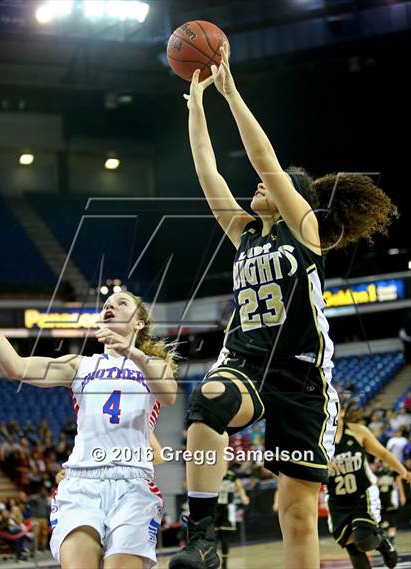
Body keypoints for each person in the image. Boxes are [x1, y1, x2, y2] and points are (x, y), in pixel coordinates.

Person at [169, 42, 399, 569]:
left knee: (295, 513)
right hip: (248, 361)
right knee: (209, 400)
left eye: (270, 186)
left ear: (294, 197)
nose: (256, 185)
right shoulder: (244, 234)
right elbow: (208, 173)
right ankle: (202, 535)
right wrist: (198, 107)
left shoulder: (307, 231)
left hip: (301, 379)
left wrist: (232, 94)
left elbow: (264, 160)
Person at [0, 291, 178, 569]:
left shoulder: (153, 367)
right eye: (107, 304)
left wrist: (133, 353)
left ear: (139, 323)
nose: (111, 306)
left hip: (133, 485)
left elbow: (169, 395)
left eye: (121, 303)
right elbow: (15, 367)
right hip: (82, 482)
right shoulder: (80, 365)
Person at [326, 399, 411, 569]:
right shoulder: (317, 439)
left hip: (362, 495)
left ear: (341, 412)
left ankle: (382, 540)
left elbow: (384, 454)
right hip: (337, 500)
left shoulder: (358, 431)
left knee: (363, 541)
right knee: (353, 549)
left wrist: (403, 472)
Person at [214, 463, 249, 569]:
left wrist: (244, 497)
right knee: (214, 538)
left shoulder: (232, 475)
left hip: (228, 509)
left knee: (225, 538)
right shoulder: (213, 473)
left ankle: (224, 564)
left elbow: (240, 487)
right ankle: (213, 562)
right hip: (215, 509)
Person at [373, 459, 407, 544]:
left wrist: (402, 495)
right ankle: (385, 533)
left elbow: (398, 481)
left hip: (390, 495)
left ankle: (391, 537)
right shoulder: (377, 470)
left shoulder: (392, 471)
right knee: (380, 516)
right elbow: (374, 482)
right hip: (380, 496)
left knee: (391, 516)